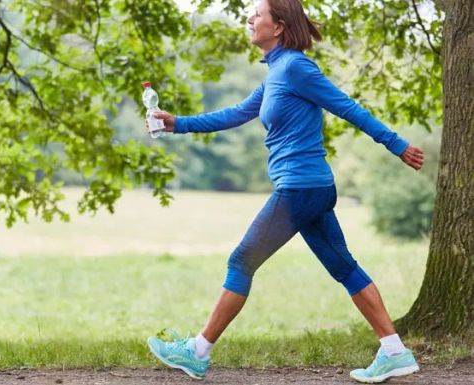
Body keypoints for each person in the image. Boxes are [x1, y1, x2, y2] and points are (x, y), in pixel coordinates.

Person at [145, 0, 425, 383]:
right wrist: (179, 124)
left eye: (256, 14)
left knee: (241, 261)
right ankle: (394, 350)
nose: (249, 19)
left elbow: (347, 107)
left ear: (277, 27)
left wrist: (396, 145)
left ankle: (197, 352)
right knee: (344, 267)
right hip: (311, 188)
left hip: (300, 187)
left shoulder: (296, 67)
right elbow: (236, 113)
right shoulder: (276, 72)